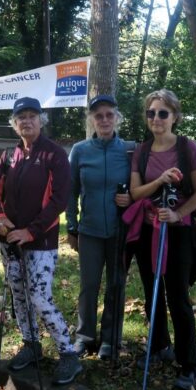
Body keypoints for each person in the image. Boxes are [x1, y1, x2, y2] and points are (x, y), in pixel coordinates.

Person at [0, 97, 82, 385]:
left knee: (39, 296)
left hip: (41, 241)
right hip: (10, 240)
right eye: (21, 117)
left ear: (41, 120)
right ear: (14, 124)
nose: (26, 121)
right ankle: (31, 345)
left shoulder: (55, 155)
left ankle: (68, 354)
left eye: (32, 116)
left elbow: (59, 200)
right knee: (18, 293)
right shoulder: (9, 156)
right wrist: (0, 219)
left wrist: (31, 231)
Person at [127, 88, 196, 390]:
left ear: (175, 116)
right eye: (151, 113)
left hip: (179, 232)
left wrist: (178, 214)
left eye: (163, 113)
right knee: (152, 292)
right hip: (148, 231)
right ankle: (160, 346)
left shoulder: (188, 148)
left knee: (177, 296)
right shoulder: (142, 150)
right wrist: (158, 181)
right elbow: (135, 193)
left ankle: (189, 364)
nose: (156, 118)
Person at [66, 95, 134, 360]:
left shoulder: (129, 150)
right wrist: (72, 227)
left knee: (116, 284)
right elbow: (70, 192)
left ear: (117, 117)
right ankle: (84, 336)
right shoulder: (80, 150)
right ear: (92, 119)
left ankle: (110, 338)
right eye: (98, 115)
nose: (104, 120)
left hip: (120, 231)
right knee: (89, 284)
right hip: (90, 230)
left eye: (109, 114)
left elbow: (139, 187)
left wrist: (131, 198)